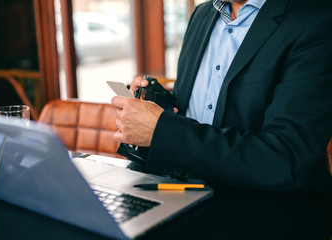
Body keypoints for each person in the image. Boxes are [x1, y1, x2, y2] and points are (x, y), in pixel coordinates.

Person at [111, 0, 332, 192]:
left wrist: (162, 130)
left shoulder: (316, 20)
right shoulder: (201, 15)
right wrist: (156, 109)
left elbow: (287, 158)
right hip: (180, 188)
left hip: (262, 207)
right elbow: (194, 107)